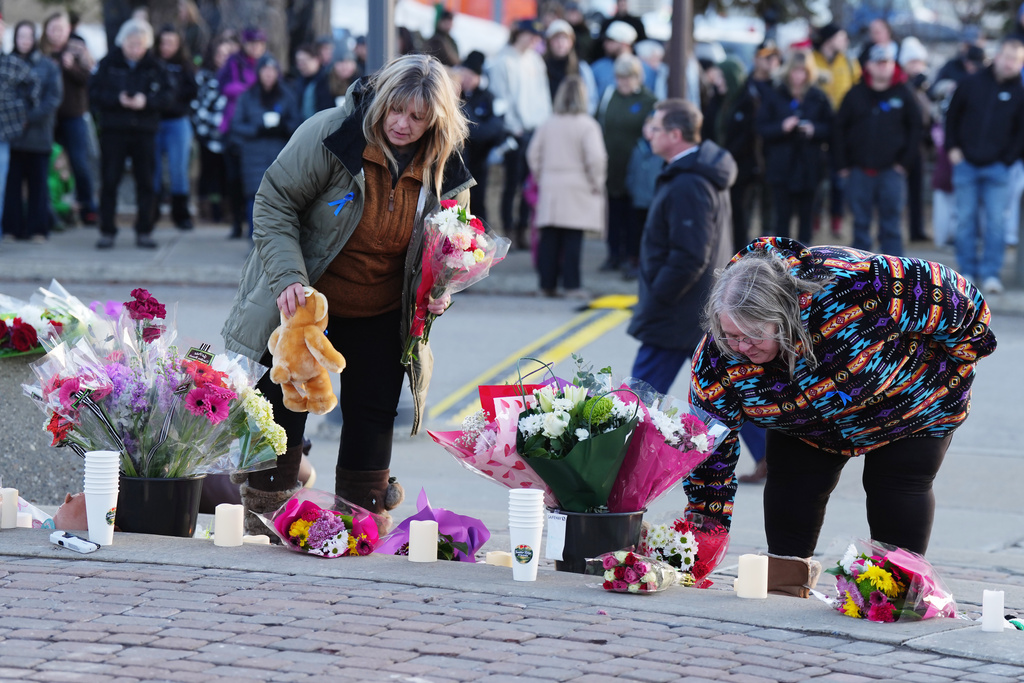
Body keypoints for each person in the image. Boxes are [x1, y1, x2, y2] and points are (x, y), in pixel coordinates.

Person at [221, 54, 472, 536]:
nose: (402, 124)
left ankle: (361, 520)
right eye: (395, 111)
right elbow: (274, 202)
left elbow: (450, 240)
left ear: (436, 120)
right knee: (283, 404)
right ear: (379, 102)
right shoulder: (331, 134)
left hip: (382, 308)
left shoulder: (445, 162)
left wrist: (439, 289)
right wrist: (289, 278)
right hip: (309, 300)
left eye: (418, 117)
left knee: (374, 413)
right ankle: (265, 515)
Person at [688, 236, 996, 561]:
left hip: (910, 400)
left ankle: (895, 594)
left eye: (753, 335)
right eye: (731, 335)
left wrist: (964, 355)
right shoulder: (716, 358)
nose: (742, 347)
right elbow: (710, 449)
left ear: (784, 315)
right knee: (792, 483)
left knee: (896, 486)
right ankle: (785, 587)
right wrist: (704, 535)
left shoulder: (858, 282)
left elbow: (957, 298)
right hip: (803, 421)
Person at [627, 99, 735, 398]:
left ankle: (618, 444)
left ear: (675, 135)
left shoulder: (689, 183)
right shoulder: (692, 174)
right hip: (694, 309)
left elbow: (690, 255)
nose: (649, 134)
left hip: (677, 311)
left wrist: (657, 297)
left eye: (655, 128)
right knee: (731, 396)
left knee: (635, 402)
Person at [945, 38, 1024, 295]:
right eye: (1008, 57)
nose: (1010, 64)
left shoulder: (1020, 93)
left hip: (999, 169)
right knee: (965, 220)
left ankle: (991, 273)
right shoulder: (970, 83)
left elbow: (1020, 133)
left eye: (1017, 60)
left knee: (996, 223)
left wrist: (1008, 159)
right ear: (997, 56)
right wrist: (953, 148)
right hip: (966, 163)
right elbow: (952, 116)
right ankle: (965, 273)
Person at [89, 18, 172, 250]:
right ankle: (107, 230)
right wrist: (117, 100)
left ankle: (144, 230)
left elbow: (168, 96)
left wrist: (146, 102)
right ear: (122, 42)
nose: (135, 49)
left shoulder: (155, 66)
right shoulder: (108, 63)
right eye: (130, 43)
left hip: (144, 131)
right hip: (114, 130)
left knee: (146, 181)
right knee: (109, 180)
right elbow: (94, 93)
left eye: (140, 44)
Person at [834, 43, 921, 256]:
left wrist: (904, 164)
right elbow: (838, 130)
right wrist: (843, 165)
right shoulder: (855, 94)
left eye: (887, 62)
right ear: (869, 66)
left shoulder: (904, 93)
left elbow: (916, 129)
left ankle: (894, 275)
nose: (883, 67)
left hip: (892, 171)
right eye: (879, 63)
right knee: (860, 224)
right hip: (859, 170)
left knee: (891, 225)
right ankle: (860, 274)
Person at [527, 75, 607, 298]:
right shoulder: (588, 125)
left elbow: (533, 154)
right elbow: (596, 158)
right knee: (573, 238)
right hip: (578, 184)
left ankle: (546, 285)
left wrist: (541, 176)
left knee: (549, 239)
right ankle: (572, 285)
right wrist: (596, 181)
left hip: (551, 184)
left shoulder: (548, 123)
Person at [486, 19, 551, 250]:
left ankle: (524, 227)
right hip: (515, 130)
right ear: (520, 34)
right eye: (531, 35)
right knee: (512, 181)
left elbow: (543, 95)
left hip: (535, 129)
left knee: (529, 182)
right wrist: (514, 126)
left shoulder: (535, 60)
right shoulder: (503, 61)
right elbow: (501, 98)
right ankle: (509, 229)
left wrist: (544, 124)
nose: (535, 40)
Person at [756, 50, 832, 244]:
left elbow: (832, 127)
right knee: (782, 216)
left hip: (809, 165)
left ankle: (805, 261)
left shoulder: (818, 97)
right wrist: (782, 127)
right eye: (795, 71)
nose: (799, 77)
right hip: (782, 165)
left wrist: (814, 129)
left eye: (803, 72)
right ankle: (782, 260)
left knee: (807, 216)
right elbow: (761, 127)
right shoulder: (775, 94)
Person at [597, 54, 657, 279]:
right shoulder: (609, 96)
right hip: (611, 164)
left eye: (628, 77)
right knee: (613, 211)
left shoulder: (648, 100)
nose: (624, 82)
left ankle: (632, 256)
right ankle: (613, 254)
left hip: (636, 169)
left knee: (633, 215)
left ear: (637, 77)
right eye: (620, 77)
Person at [2, 21, 62, 244]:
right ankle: (12, 229)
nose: (24, 41)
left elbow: (53, 99)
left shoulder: (48, 66)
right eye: (20, 37)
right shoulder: (6, 64)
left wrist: (28, 117)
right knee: (12, 185)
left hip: (38, 135)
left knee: (38, 185)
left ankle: (38, 229)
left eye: (28, 37)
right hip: (13, 136)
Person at [228, 55, 300, 237]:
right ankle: (255, 243)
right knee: (255, 197)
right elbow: (236, 125)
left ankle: (278, 242)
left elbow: (299, 124)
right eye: (265, 70)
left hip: (280, 154)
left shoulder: (287, 95)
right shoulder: (247, 97)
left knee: (279, 198)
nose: (268, 75)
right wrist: (257, 129)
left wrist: (283, 127)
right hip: (253, 155)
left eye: (272, 71)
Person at [40, 11, 97, 227]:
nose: (56, 33)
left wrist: (71, 66)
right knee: (47, 165)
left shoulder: (77, 49)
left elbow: (89, 79)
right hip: (48, 119)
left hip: (73, 115)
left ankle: (88, 207)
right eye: (52, 29)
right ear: (46, 30)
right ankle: (50, 209)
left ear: (68, 30)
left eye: (61, 29)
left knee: (79, 162)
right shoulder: (42, 52)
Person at [723, 40, 780, 252]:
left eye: (774, 58)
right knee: (743, 213)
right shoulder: (744, 87)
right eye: (766, 57)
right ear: (756, 59)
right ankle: (743, 254)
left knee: (770, 213)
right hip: (746, 160)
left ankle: (770, 257)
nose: (771, 62)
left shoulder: (780, 88)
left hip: (772, 158)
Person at [812, 23, 860, 239]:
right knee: (816, 179)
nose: (845, 41)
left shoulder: (849, 62)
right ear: (829, 38)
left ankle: (837, 220)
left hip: (843, 128)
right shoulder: (811, 59)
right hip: (817, 125)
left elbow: (858, 88)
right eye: (842, 36)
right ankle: (813, 219)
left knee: (839, 178)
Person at [218, 27, 266, 239]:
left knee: (256, 180)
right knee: (233, 179)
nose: (256, 47)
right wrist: (250, 87)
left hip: (256, 129)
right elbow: (224, 86)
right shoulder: (233, 62)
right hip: (233, 127)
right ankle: (236, 222)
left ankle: (254, 224)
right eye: (252, 43)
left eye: (260, 43)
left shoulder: (267, 63)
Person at [152, 25, 198, 231]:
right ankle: (150, 212)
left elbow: (192, 92)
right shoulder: (151, 64)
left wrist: (173, 99)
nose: (166, 47)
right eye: (163, 42)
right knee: (152, 170)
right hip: (154, 122)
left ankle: (181, 214)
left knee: (178, 170)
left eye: (171, 43)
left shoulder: (185, 66)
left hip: (177, 122)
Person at [191, 34, 237, 225]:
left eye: (228, 54)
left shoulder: (236, 76)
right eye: (220, 53)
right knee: (208, 173)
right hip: (207, 132)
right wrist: (206, 126)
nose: (223, 57)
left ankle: (229, 212)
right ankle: (208, 211)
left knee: (228, 174)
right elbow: (197, 104)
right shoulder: (204, 76)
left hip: (231, 134)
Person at [456, 51, 504, 223]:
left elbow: (496, 127)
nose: (467, 79)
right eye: (464, 74)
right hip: (460, 160)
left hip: (480, 160)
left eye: (472, 75)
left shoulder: (487, 97)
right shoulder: (454, 95)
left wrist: (477, 129)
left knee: (478, 204)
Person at [899, 36, 932, 243]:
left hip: (918, 145)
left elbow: (927, 116)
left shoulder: (924, 85)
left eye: (919, 62)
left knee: (917, 191)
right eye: (912, 62)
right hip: (901, 145)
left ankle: (916, 229)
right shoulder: (902, 85)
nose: (917, 66)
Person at [544, 19, 598, 115]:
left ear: (571, 42)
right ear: (549, 42)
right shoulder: (541, 66)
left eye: (564, 38)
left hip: (575, 120)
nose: (560, 43)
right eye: (556, 38)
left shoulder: (581, 68)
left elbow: (591, 98)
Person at [290, 43, 328, 121]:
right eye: (298, 62)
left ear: (316, 59)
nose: (300, 65)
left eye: (304, 61)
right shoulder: (299, 82)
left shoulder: (327, 81)